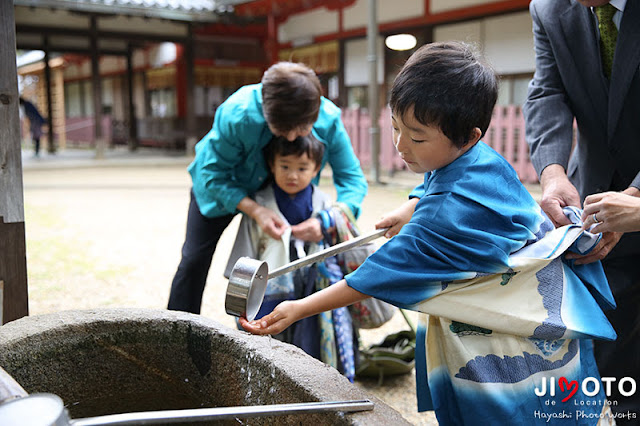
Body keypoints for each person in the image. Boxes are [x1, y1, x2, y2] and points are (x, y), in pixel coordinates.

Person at [242, 42, 617, 424]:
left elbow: (378, 274)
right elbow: (439, 181)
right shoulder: (481, 159)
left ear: (468, 136)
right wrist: (411, 206)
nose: (401, 145)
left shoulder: (443, 216)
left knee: (506, 412)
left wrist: (298, 308)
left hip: (504, 335)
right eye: (394, 127)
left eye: (417, 137)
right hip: (545, 312)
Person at [168, 61, 368, 315]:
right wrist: (255, 210)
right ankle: (178, 327)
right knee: (193, 261)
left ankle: (290, 333)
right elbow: (211, 174)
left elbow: (352, 180)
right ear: (266, 112)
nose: (294, 138)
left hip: (288, 191)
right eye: (284, 131)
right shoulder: (238, 113)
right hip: (225, 187)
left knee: (296, 264)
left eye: (304, 129)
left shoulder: (327, 119)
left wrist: (328, 220)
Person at [523, 0, 640, 418]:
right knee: (614, 358)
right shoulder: (550, 10)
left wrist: (636, 197)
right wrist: (553, 173)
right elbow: (547, 91)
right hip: (596, 205)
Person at [224, 134, 358, 381]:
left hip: (312, 288)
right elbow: (242, 260)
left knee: (309, 347)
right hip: (267, 291)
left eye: (302, 168)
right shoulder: (260, 205)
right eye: (284, 166)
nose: (292, 175)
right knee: (268, 348)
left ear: (316, 168)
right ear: (271, 165)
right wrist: (239, 295)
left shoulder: (324, 204)